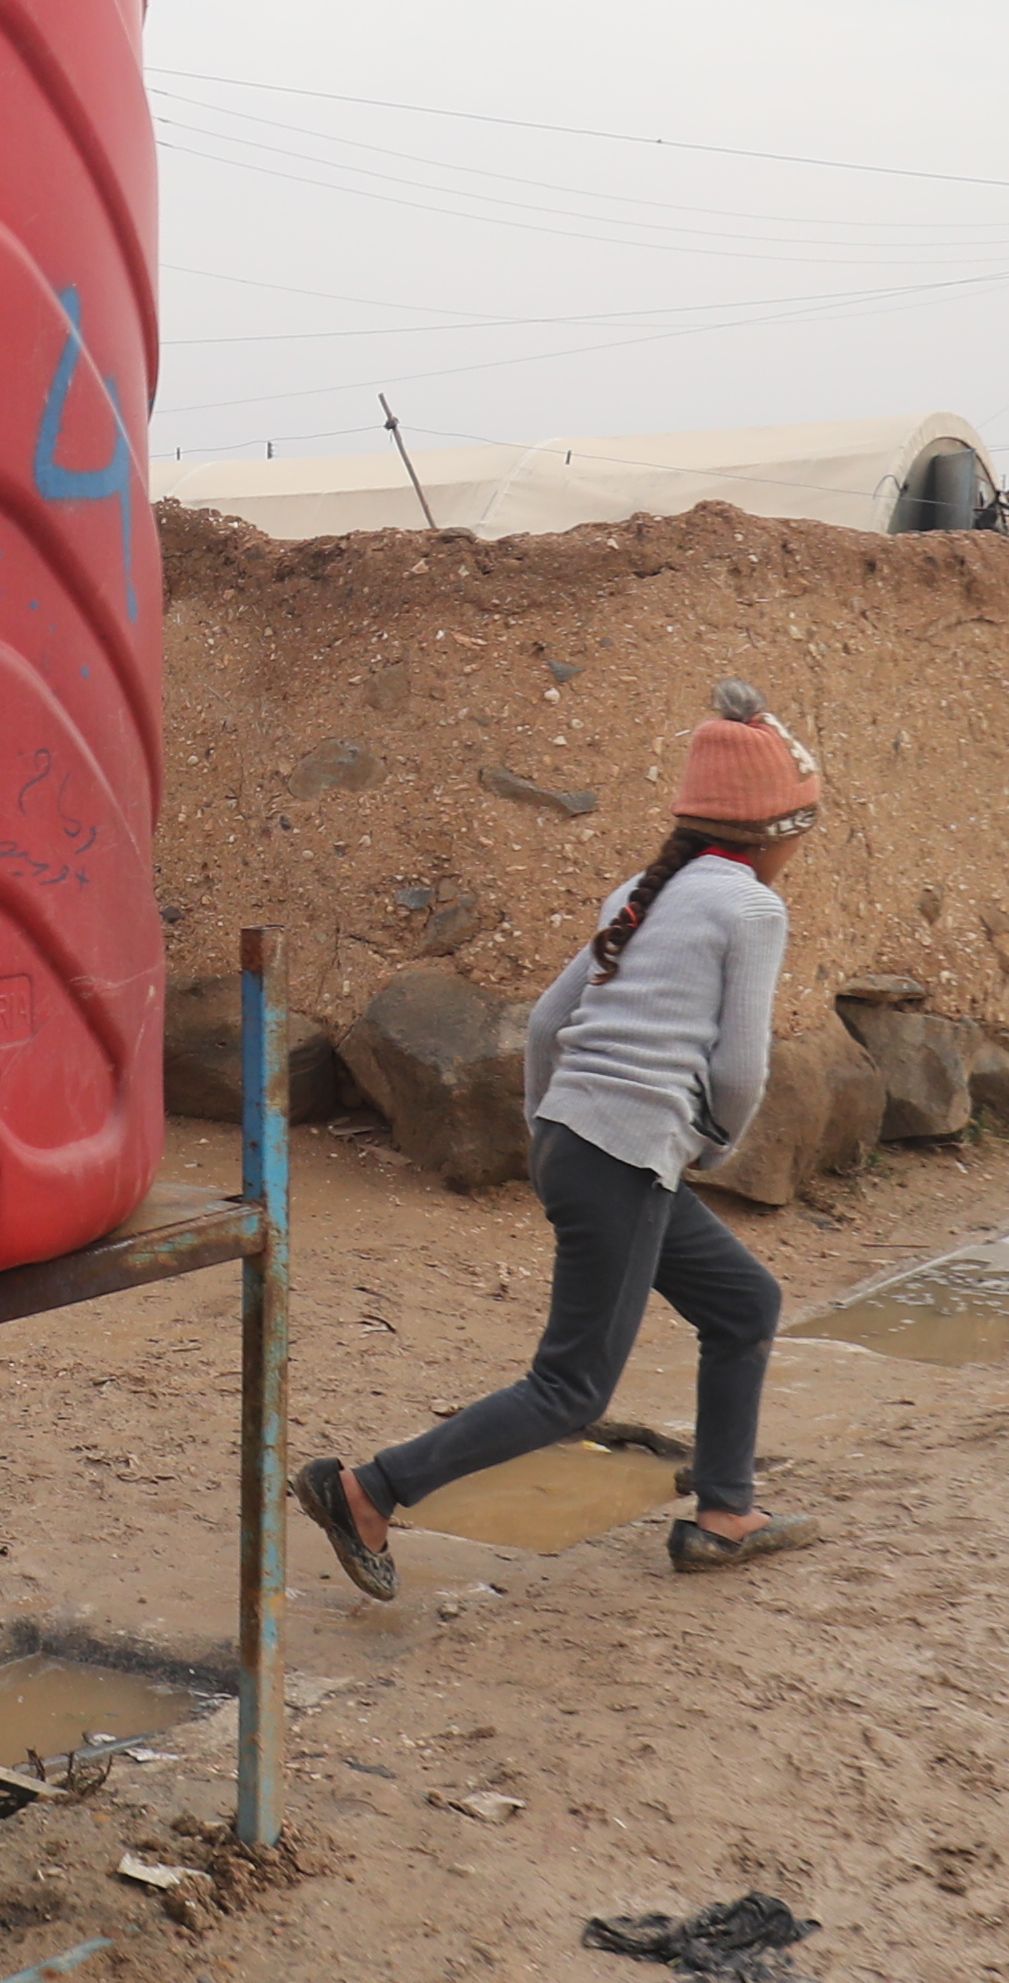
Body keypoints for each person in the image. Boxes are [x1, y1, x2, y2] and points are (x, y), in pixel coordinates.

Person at [295, 680, 824, 1591]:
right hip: (626, 1156)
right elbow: (740, 1068)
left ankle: (726, 1513)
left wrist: (550, 1129)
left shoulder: (641, 893)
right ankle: (368, 1491)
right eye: (800, 834)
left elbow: (547, 1023)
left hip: (583, 1144)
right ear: (776, 832)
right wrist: (714, 1144)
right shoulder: (750, 909)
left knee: (743, 1302)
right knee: (571, 1391)